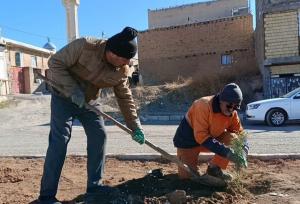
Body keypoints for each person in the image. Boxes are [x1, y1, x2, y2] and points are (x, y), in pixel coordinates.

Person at [38, 27, 145, 204]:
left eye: (124, 60)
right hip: (63, 96)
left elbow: (125, 97)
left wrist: (135, 127)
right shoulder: (85, 46)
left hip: (90, 102)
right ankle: (47, 196)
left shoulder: (122, 70)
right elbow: (55, 63)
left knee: (99, 135)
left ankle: (95, 188)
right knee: (60, 140)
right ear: (109, 49)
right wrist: (73, 91)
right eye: (117, 58)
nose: (120, 63)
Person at [173, 83, 248, 181]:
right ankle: (190, 171)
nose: (231, 109)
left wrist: (244, 149)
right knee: (187, 178)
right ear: (221, 100)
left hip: (209, 140)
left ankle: (214, 170)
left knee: (233, 138)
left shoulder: (232, 113)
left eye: (235, 107)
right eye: (229, 105)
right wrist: (227, 153)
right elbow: (201, 136)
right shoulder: (203, 105)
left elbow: (240, 133)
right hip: (188, 142)